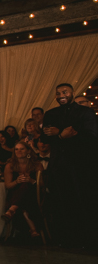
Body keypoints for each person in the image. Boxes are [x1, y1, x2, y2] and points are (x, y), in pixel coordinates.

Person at [41, 83, 98, 247]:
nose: (61, 95)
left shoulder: (85, 112)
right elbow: (44, 139)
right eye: (58, 93)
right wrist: (61, 135)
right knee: (61, 203)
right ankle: (65, 240)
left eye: (64, 92)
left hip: (83, 165)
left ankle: (89, 240)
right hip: (59, 166)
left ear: (73, 93)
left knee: (84, 201)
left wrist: (60, 133)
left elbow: (91, 137)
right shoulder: (51, 114)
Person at [2, 141, 43, 239]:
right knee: (23, 193)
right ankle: (33, 229)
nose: (18, 151)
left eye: (22, 149)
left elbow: (42, 184)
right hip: (16, 195)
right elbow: (8, 185)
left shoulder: (37, 164)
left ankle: (12, 210)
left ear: (28, 151)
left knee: (26, 186)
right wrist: (17, 181)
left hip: (34, 195)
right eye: (16, 149)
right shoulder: (10, 165)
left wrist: (32, 180)